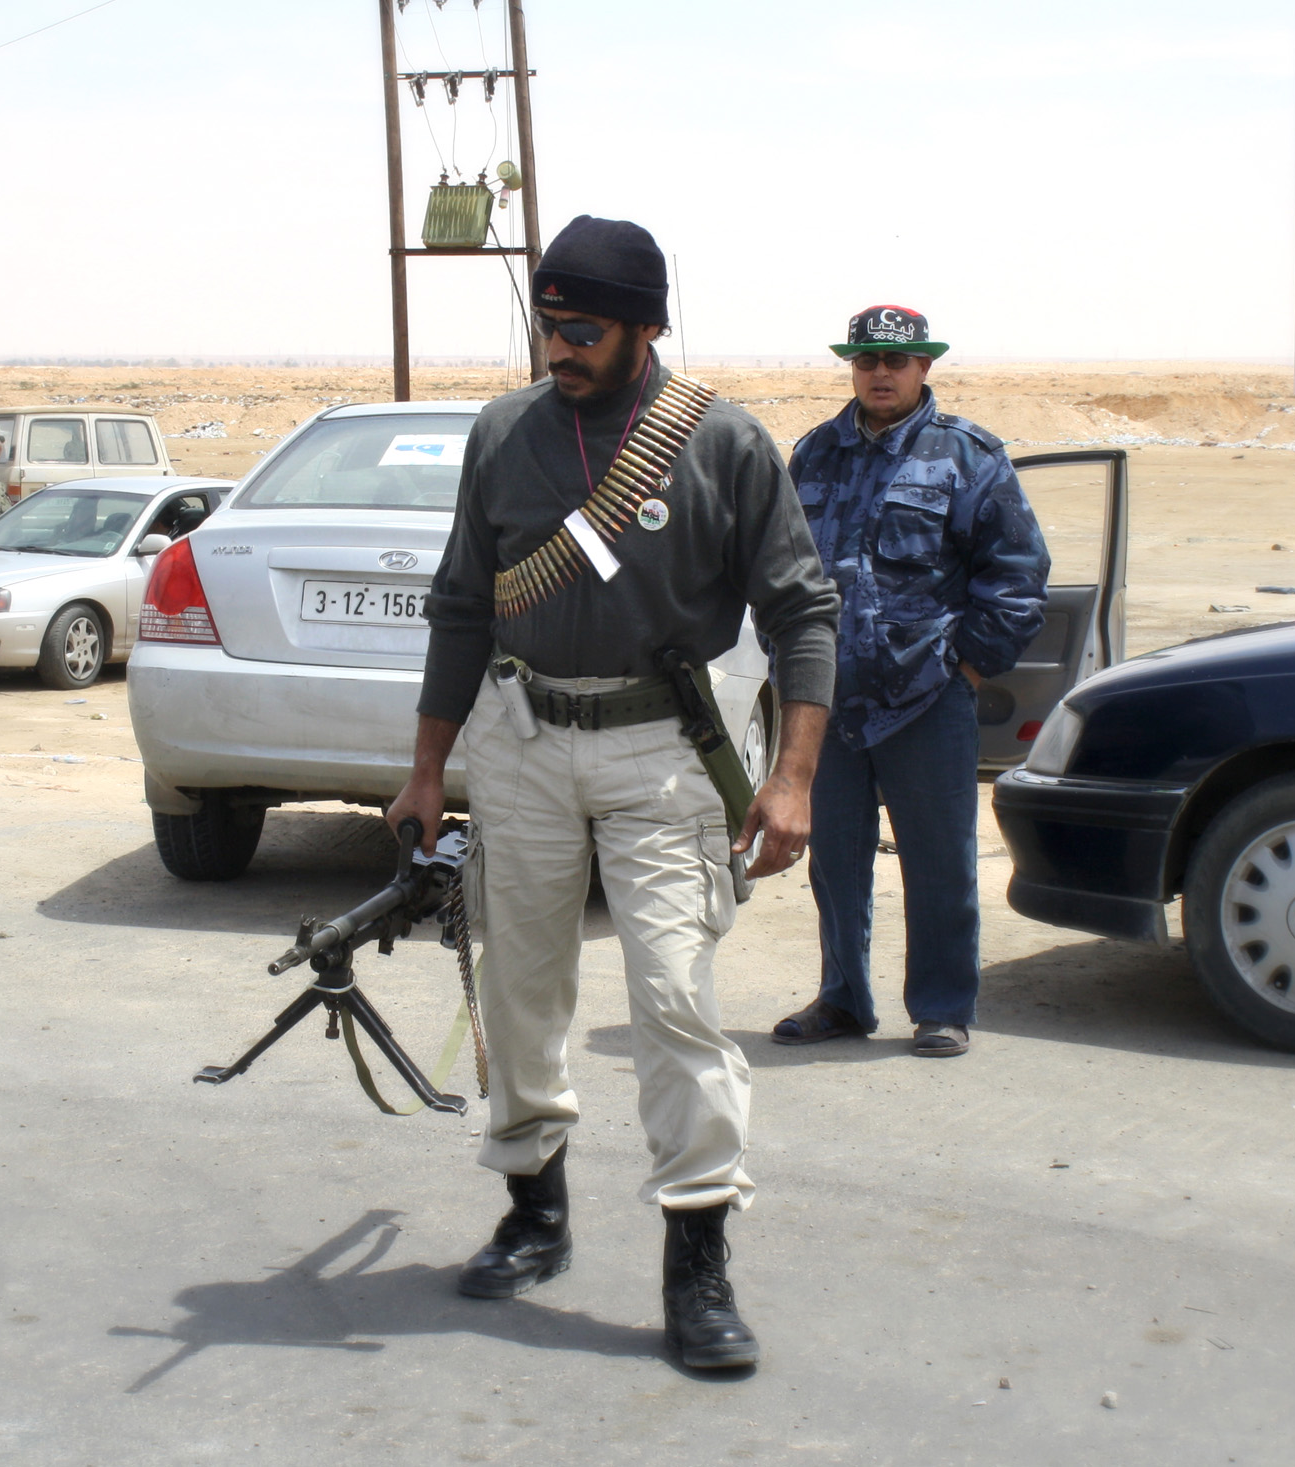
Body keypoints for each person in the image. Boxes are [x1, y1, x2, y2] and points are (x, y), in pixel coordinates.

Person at [387, 215, 841, 1369]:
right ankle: (534, 1213)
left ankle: (698, 1266)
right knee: (522, 986)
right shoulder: (504, 435)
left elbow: (803, 614)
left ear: (645, 326)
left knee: (675, 1000)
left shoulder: (724, 443)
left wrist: (791, 781)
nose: (557, 347)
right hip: (525, 741)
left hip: (662, 752)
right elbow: (460, 605)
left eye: (581, 326)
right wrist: (428, 768)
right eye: (544, 323)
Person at [773, 306, 1049, 1059]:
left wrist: (966, 663)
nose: (881, 374)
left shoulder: (966, 455)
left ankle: (941, 1006)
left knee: (940, 865)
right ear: (852, 370)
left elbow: (1019, 575)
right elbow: (783, 568)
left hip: (927, 698)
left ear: (924, 366)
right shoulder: (815, 455)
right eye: (867, 363)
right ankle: (842, 999)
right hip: (830, 701)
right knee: (833, 863)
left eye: (896, 361)